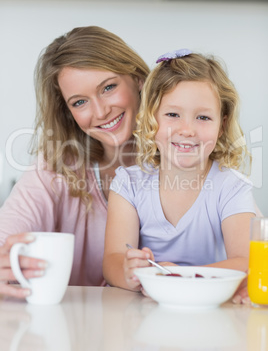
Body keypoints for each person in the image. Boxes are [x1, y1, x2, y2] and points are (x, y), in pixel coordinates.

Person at [0, 26, 150, 298]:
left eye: (108, 87)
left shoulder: (185, 159)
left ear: (138, 79)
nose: (101, 111)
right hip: (72, 332)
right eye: (80, 102)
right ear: (68, 113)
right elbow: (6, 235)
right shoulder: (57, 168)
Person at [103, 49, 256, 292]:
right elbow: (112, 259)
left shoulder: (232, 188)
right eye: (173, 114)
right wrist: (128, 271)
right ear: (151, 118)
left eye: (203, 117)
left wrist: (183, 277)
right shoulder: (128, 184)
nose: (187, 130)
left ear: (222, 124)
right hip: (142, 316)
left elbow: (248, 262)